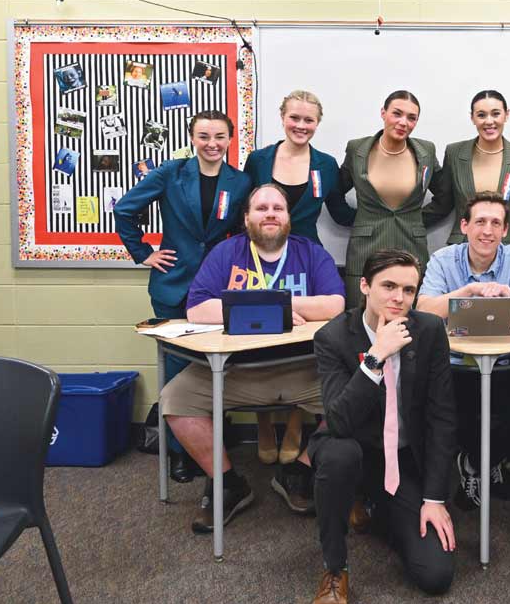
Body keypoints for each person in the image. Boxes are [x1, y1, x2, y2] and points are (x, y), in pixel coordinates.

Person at [160, 184, 346, 531]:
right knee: (174, 398)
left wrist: (275, 305)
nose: (271, 214)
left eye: (279, 207)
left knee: (360, 397)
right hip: (237, 374)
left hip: (303, 370)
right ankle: (228, 483)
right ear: (246, 218)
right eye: (261, 208)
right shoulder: (226, 253)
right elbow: (198, 308)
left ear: (289, 217)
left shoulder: (311, 253)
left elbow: (334, 305)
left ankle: (299, 469)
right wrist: (278, 307)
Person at [309, 249, 457, 604]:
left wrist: (434, 499)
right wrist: (376, 357)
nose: (399, 298)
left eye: (408, 290)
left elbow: (442, 418)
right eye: (388, 286)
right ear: (364, 286)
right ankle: (334, 569)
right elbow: (340, 420)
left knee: (435, 575)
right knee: (339, 454)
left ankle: (374, 507)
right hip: (352, 447)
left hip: (401, 459)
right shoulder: (333, 337)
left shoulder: (430, 330)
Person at [114, 110, 252, 483]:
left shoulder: (239, 182)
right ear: (193, 138)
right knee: (176, 373)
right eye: (204, 136)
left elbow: (242, 231)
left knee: (214, 369)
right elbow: (124, 209)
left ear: (229, 140)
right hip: (172, 284)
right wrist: (144, 253)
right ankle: (178, 453)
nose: (212, 144)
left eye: (220, 137)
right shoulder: (171, 173)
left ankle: (210, 446)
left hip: (215, 288)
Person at [244, 90, 356, 466]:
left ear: (317, 124)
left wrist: (386, 219)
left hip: (306, 256)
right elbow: (246, 208)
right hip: (260, 255)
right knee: (258, 337)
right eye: (295, 118)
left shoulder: (325, 164)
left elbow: (340, 211)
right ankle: (263, 423)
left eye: (309, 120)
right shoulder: (259, 159)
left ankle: (294, 424)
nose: (301, 126)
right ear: (282, 117)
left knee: (306, 342)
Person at [416, 191, 510, 508]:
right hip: (456, 369)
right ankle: (477, 461)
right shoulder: (443, 260)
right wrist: (467, 292)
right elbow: (422, 310)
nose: (487, 231)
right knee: (454, 421)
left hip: (505, 368)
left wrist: (509, 294)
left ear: (504, 230)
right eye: (480, 222)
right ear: (465, 226)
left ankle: (479, 463)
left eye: (495, 223)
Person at [337, 90, 446, 307]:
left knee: (412, 320)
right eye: (397, 113)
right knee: (360, 317)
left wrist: (416, 221)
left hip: (411, 247)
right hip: (365, 249)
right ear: (383, 113)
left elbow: (445, 196)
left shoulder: (426, 151)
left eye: (411, 118)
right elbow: (335, 191)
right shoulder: (357, 149)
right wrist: (359, 219)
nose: (403, 122)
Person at [428, 90, 510, 272]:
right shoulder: (455, 153)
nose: (489, 121)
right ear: (472, 118)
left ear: (506, 115)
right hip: (463, 253)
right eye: (481, 115)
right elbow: (444, 203)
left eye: (496, 113)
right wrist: (407, 221)